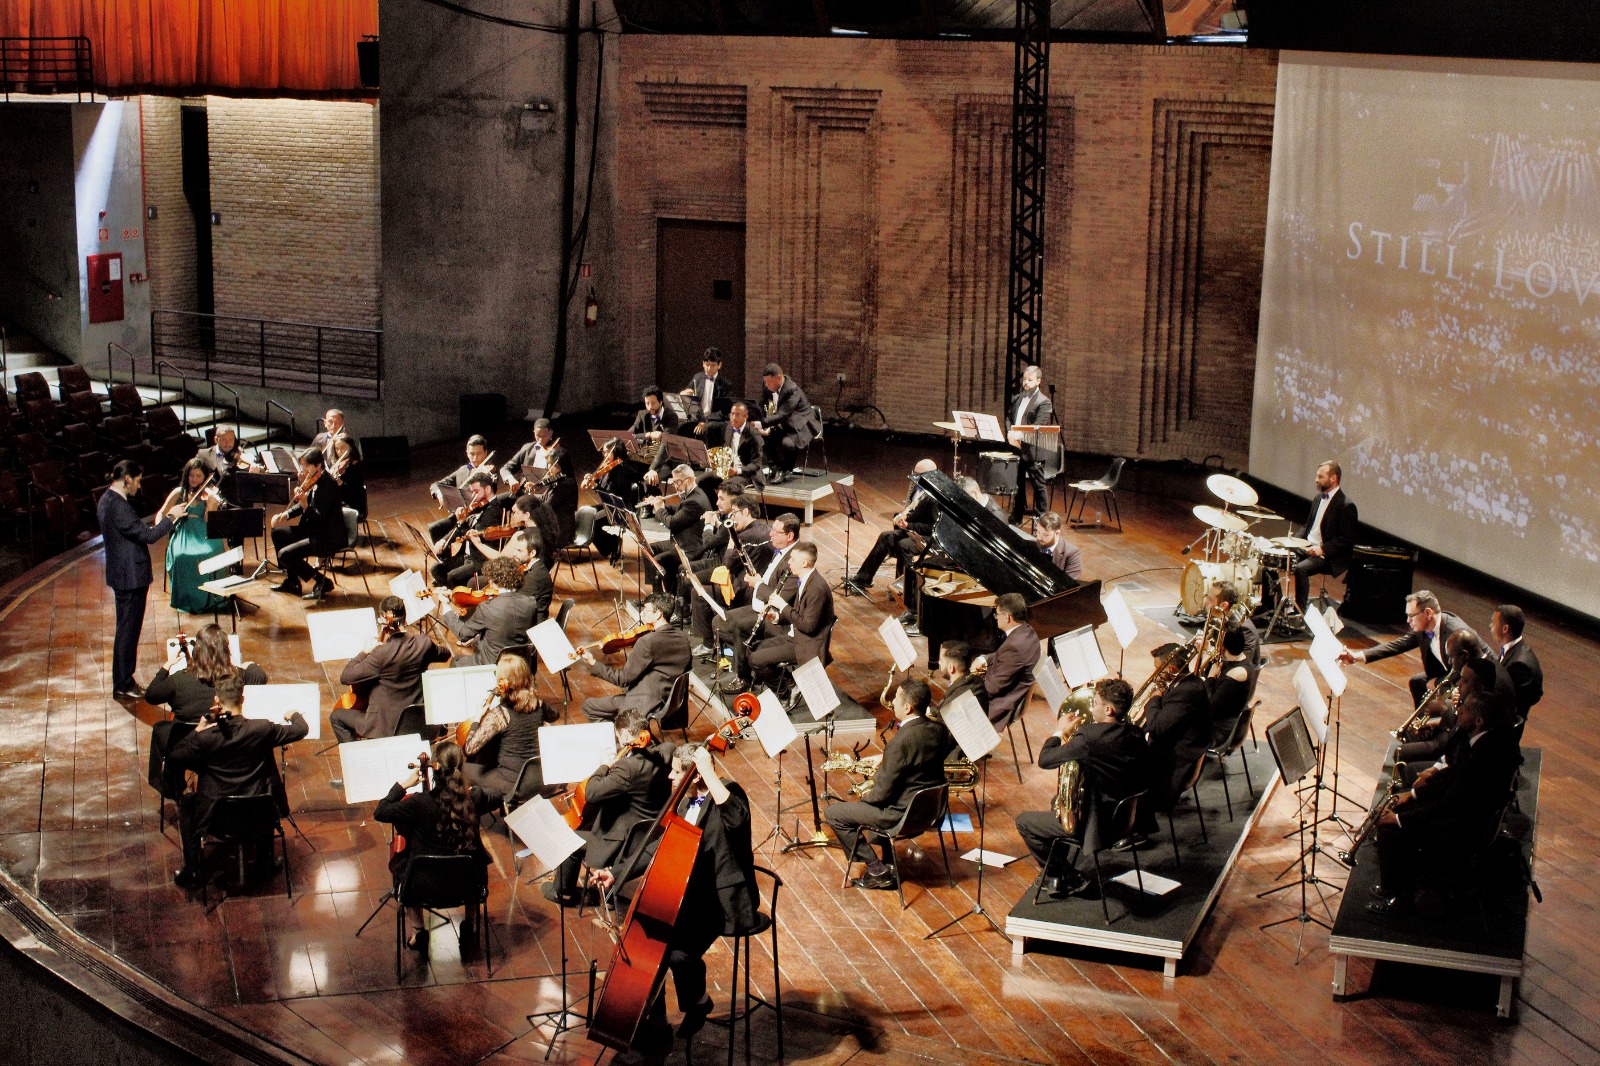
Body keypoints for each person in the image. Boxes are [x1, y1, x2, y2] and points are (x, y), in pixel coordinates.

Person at [589, 743, 757, 1046]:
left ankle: (698, 1002)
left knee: (679, 954)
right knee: (653, 942)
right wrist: (617, 872)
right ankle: (655, 1020)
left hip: (718, 900)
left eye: (676, 772)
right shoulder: (681, 802)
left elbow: (738, 820)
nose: (669, 776)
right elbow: (656, 846)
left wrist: (707, 769)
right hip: (687, 893)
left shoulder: (729, 795)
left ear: (694, 776)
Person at [1369, 692, 1522, 915]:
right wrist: (1412, 795)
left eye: (1465, 709)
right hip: (1468, 816)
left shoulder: (1483, 756)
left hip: (1465, 830)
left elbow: (1448, 804)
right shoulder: (1485, 741)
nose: (1458, 711)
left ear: (1479, 721)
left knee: (1389, 830)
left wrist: (1399, 819)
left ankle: (1395, 898)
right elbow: (1453, 775)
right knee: (1403, 808)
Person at [168, 674, 308, 890]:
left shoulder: (206, 738)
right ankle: (264, 865)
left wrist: (199, 728)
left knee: (187, 803)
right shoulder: (262, 729)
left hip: (217, 819)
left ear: (217, 700)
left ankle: (193, 871)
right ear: (242, 700)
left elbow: (175, 756)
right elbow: (301, 730)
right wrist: (294, 714)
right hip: (260, 816)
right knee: (265, 790)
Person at [1014, 677, 1150, 898]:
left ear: (1108, 709)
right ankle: (1057, 878)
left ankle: (1066, 874)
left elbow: (1046, 760)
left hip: (1099, 826)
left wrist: (1058, 732)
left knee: (1025, 822)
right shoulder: (1135, 734)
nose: (1091, 705)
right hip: (1125, 821)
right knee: (1057, 802)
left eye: (1095, 702)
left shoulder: (1089, 738)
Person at [826, 678, 953, 891]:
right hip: (931, 811)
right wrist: (887, 759)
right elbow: (918, 757)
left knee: (835, 814)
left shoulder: (900, 742)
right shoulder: (939, 730)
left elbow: (882, 794)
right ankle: (888, 860)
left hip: (901, 816)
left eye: (896, 699)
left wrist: (863, 799)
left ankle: (878, 870)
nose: (892, 702)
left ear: (907, 707)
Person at [374, 739, 493, 953]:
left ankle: (419, 932)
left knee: (403, 858)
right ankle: (470, 927)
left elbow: (380, 811)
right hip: (468, 886)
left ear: (434, 768)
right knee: (474, 857)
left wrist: (403, 786)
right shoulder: (474, 798)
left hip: (422, 886)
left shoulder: (419, 803)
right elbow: (496, 797)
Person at [548, 708, 675, 904]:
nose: (619, 742)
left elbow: (591, 793)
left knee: (569, 837)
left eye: (618, 737)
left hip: (620, 843)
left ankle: (564, 892)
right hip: (649, 833)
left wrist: (604, 765)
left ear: (625, 734)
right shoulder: (668, 750)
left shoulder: (627, 769)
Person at [98, 459, 185, 700]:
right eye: (137, 481)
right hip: (130, 577)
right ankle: (124, 683)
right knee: (128, 631)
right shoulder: (118, 506)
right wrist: (172, 516)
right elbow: (149, 535)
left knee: (126, 630)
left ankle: (124, 680)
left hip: (123, 574)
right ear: (127, 479)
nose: (139, 486)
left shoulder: (107, 499)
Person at [146, 624, 269, 795]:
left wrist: (166, 666)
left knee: (161, 729)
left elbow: (151, 695)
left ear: (197, 650)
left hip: (188, 751)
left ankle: (172, 787)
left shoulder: (179, 680)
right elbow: (261, 677)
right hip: (226, 747)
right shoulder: (236, 676)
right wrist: (250, 665)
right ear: (226, 651)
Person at [331, 596, 450, 743]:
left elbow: (346, 677)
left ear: (383, 620)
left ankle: (358, 756)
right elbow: (445, 654)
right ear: (405, 620)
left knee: (336, 717)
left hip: (384, 726)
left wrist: (364, 652)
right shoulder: (423, 644)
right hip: (415, 720)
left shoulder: (380, 654)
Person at [1135, 646, 1212, 848]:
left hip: (1176, 764)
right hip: (1175, 751)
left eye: (1157, 669)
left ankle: (1136, 826)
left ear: (1169, 670)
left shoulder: (1187, 691)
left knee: (1126, 763)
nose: (1154, 674)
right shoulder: (1187, 683)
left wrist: (1154, 700)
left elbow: (1157, 727)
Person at [462, 653, 561, 807]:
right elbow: (555, 715)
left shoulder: (500, 714)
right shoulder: (539, 705)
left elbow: (469, 748)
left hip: (513, 784)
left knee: (466, 768)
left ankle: (488, 802)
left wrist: (477, 718)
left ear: (504, 682)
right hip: (539, 779)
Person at [579, 593, 693, 722]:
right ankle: (630, 729)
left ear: (658, 614)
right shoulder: (683, 638)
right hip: (671, 702)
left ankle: (627, 733)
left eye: (645, 610)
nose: (641, 614)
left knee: (589, 706)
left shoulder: (647, 642)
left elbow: (622, 679)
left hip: (645, 702)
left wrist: (592, 662)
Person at [1339, 589, 1465, 705]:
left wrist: (1438, 683)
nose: (1408, 621)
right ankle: (1420, 727)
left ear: (1428, 613)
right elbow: (1396, 645)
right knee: (1417, 682)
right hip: (1445, 673)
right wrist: (1356, 657)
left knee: (1434, 691)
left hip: (1467, 682)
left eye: (1412, 616)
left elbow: (1467, 669)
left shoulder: (1455, 634)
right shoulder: (1424, 628)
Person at [715, 513, 800, 685]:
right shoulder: (783, 551)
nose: (770, 534)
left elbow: (780, 599)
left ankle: (745, 676)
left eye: (776, 532)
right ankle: (746, 663)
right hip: (762, 604)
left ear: (789, 536)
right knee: (719, 621)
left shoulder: (796, 560)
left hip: (778, 620)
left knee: (739, 627)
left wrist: (759, 584)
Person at [689, 495, 773, 656]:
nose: (732, 518)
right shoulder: (766, 530)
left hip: (742, 590)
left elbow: (727, 564)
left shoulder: (743, 537)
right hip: (758, 588)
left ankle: (709, 643)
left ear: (746, 512)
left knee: (698, 593)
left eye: (734, 513)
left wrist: (731, 543)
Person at [745, 541, 836, 684]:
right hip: (795, 635)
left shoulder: (816, 588)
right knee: (751, 649)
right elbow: (798, 614)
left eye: (792, 559)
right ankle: (790, 682)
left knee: (756, 659)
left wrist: (783, 606)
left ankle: (784, 689)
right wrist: (775, 617)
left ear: (804, 563)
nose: (789, 563)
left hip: (806, 644)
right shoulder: (806, 580)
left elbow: (808, 626)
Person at [437, 557, 547, 667]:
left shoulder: (487, 608)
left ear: (492, 580)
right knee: (477, 643)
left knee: (456, 662)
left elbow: (462, 635)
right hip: (522, 664)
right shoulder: (531, 603)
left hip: (495, 664)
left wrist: (446, 606)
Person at [268, 446, 345, 599]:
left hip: (326, 536)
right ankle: (292, 581)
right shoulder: (314, 480)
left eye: (306, 466)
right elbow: (304, 503)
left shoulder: (328, 485)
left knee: (285, 555)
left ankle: (322, 581)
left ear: (318, 465)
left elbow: (320, 519)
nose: (303, 470)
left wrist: (304, 505)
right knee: (278, 533)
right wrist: (285, 514)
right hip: (313, 530)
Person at [851, 458, 938, 589]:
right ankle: (863, 579)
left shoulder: (934, 498)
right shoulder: (918, 489)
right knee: (886, 536)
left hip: (929, 538)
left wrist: (909, 526)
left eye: (918, 475)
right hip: (914, 532)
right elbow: (912, 510)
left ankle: (902, 588)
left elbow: (933, 528)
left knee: (904, 545)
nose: (914, 478)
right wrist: (903, 518)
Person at [160, 458, 228, 614]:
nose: (195, 479)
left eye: (199, 476)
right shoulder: (179, 492)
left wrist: (211, 504)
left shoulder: (209, 493)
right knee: (181, 555)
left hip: (204, 530)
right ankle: (186, 597)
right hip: (185, 531)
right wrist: (160, 529)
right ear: (186, 475)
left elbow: (208, 520)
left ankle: (212, 598)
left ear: (205, 477)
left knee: (212, 551)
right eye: (192, 475)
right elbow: (162, 513)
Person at [1291, 460, 1358, 612]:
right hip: (1307, 547)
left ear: (1333, 478)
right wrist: (1293, 541)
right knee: (1275, 558)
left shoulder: (1346, 505)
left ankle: (1300, 614)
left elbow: (1346, 539)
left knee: (1301, 569)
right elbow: (1307, 527)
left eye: (1320, 476)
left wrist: (1323, 549)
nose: (1316, 480)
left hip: (1328, 555)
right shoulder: (1317, 499)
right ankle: (1269, 606)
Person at [430, 471, 511, 588]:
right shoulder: (478, 507)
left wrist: (463, 521)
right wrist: (444, 540)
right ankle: (452, 592)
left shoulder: (493, 511)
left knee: (452, 577)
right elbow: (462, 527)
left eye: (476, 491)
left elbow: (473, 534)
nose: (472, 496)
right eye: (472, 492)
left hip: (480, 560)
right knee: (436, 569)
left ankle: (458, 597)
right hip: (467, 555)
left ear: (488, 489)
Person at [643, 464, 711, 595]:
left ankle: (660, 597)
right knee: (647, 550)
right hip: (678, 543)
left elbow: (672, 523)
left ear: (690, 480)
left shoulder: (695, 501)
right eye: (674, 483)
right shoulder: (692, 494)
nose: (676, 486)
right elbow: (679, 510)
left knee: (656, 561)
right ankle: (658, 590)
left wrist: (659, 509)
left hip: (689, 549)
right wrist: (663, 506)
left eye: (678, 482)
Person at [1005, 363, 1056, 521]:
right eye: (1024, 379)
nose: (1026, 383)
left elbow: (1038, 426)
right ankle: (1017, 514)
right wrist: (1009, 432)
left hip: (1033, 449)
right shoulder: (1018, 398)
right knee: (1018, 482)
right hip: (1017, 446)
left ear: (1038, 381)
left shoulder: (1044, 402)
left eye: (1030, 380)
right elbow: (1009, 417)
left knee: (1038, 485)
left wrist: (1017, 434)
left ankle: (1042, 518)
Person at [980, 593, 1038, 728]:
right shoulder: (1027, 632)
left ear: (1007, 617)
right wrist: (983, 659)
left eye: (997, 614)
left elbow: (992, 688)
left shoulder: (1014, 647)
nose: (995, 617)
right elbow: (1003, 655)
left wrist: (970, 683)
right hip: (1011, 694)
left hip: (1000, 705)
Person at [753, 363, 817, 484]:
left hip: (800, 424)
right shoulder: (768, 385)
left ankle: (786, 469)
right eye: (765, 382)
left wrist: (760, 424)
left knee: (787, 443)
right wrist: (762, 424)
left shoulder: (793, 391)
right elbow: (761, 404)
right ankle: (774, 466)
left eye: (769, 382)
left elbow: (783, 415)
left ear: (778, 378)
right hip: (782, 422)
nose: (766, 386)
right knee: (761, 436)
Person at [428, 435, 496, 540]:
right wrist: (439, 493)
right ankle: (445, 557)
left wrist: (484, 476)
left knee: (445, 539)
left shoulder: (490, 472)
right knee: (434, 528)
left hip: (477, 518)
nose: (475, 458)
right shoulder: (462, 470)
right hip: (459, 514)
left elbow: (493, 487)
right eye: (472, 454)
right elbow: (436, 484)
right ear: (467, 453)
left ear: (486, 453)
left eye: (478, 454)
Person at [1491, 604, 1543, 724]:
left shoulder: (1520, 665)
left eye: (1493, 623)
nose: (1491, 627)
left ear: (1505, 629)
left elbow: (1504, 699)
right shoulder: (1514, 649)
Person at [311, 408, 366, 518]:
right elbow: (310, 459)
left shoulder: (347, 444)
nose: (333, 426)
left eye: (337, 423)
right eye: (330, 422)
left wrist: (339, 482)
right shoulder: (319, 439)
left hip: (346, 498)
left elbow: (354, 488)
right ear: (325, 423)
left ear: (342, 424)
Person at [1203, 627, 1252, 747]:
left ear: (1223, 647)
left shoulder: (1237, 674)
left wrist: (1210, 678)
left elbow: (1210, 707)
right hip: (1221, 720)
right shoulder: (1241, 659)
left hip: (1219, 730)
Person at [631, 386, 680, 488]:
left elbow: (666, 444)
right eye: (647, 403)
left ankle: (652, 502)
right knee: (624, 473)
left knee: (650, 481)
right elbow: (629, 435)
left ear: (661, 402)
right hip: (645, 458)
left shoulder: (671, 417)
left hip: (664, 461)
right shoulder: (642, 414)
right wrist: (648, 435)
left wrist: (653, 469)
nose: (649, 407)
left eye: (653, 403)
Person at [198, 425, 259, 507]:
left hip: (235, 504)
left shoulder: (238, 454)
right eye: (224, 440)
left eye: (231, 440)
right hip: (209, 502)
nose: (228, 444)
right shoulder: (203, 454)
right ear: (216, 440)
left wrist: (252, 474)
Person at [502, 418, 566, 496]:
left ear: (551, 433)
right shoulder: (527, 448)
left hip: (545, 494)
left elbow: (562, 478)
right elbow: (505, 468)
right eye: (538, 436)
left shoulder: (559, 452)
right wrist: (510, 479)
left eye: (544, 436)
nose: (541, 440)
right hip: (525, 491)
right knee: (497, 501)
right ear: (534, 432)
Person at [931, 640, 990, 721]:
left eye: (941, 660)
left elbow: (941, 728)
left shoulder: (954, 701)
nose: (939, 663)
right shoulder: (976, 680)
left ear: (951, 667)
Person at [681, 347, 735, 436]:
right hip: (696, 418)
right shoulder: (697, 378)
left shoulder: (725, 385)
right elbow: (687, 396)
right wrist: (683, 394)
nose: (709, 368)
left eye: (713, 365)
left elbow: (723, 411)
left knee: (707, 429)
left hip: (713, 420)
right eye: (707, 364)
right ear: (703, 364)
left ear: (719, 365)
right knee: (680, 427)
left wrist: (705, 421)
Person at [707, 401, 763, 480]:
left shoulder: (754, 435)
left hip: (746, 474)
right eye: (732, 414)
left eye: (737, 415)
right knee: (700, 481)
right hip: (729, 470)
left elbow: (756, 465)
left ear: (745, 417)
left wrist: (737, 471)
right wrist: (709, 462)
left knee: (726, 486)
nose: (733, 418)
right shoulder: (729, 428)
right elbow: (726, 453)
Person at [1033, 510, 1083, 580]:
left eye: (1045, 535)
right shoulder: (1032, 544)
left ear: (1057, 533)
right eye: (1038, 532)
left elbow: (1069, 585)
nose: (1039, 538)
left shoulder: (1073, 554)